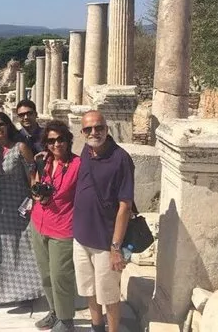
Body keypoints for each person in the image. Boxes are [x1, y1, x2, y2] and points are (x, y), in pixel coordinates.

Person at [72, 110, 134, 332]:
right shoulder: (86, 150)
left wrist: (116, 247)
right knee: (89, 290)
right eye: (88, 129)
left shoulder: (121, 159)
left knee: (109, 295)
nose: (94, 132)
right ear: (82, 132)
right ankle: (96, 327)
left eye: (99, 127)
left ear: (107, 129)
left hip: (105, 242)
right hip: (81, 237)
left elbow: (125, 206)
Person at [0, 112, 43, 304]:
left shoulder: (20, 148)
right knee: (3, 248)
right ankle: (7, 291)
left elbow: (32, 177)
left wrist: (34, 200)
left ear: (8, 125)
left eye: (1, 124)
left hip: (20, 204)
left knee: (24, 246)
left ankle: (29, 291)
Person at [30, 120, 81, 332]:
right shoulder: (44, 161)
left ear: (68, 140)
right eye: (51, 141)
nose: (56, 144)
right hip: (39, 223)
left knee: (61, 276)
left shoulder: (78, 164)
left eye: (61, 139)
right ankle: (55, 312)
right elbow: (35, 184)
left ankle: (66, 320)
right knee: (45, 274)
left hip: (63, 227)